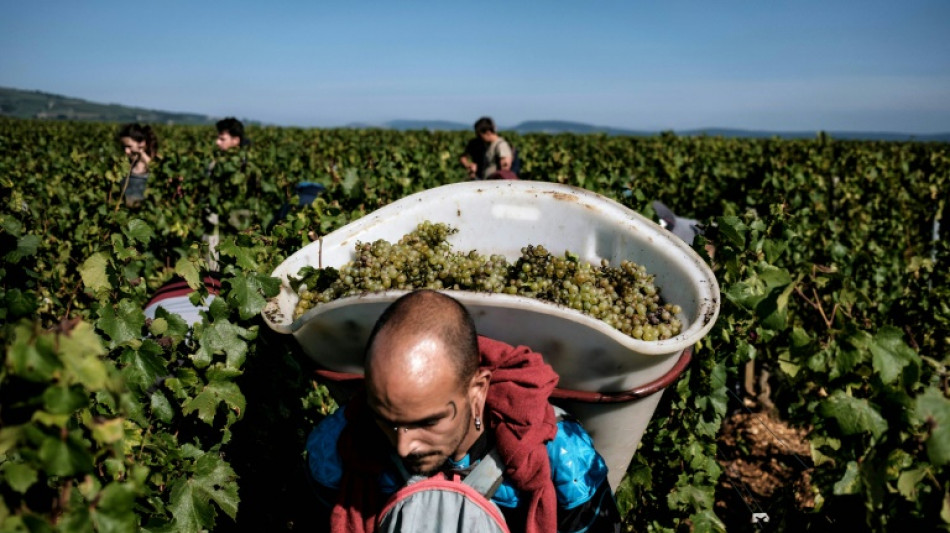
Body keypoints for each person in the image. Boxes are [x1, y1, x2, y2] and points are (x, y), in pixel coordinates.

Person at [305, 290, 621, 533]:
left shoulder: (562, 461)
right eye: (386, 421)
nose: (404, 446)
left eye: (427, 422)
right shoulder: (337, 451)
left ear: (477, 389)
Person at [116, 123, 159, 207]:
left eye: (129, 146)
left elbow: (155, 169)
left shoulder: (156, 162)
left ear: (142, 143)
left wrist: (142, 153)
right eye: (124, 147)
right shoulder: (127, 165)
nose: (126, 151)